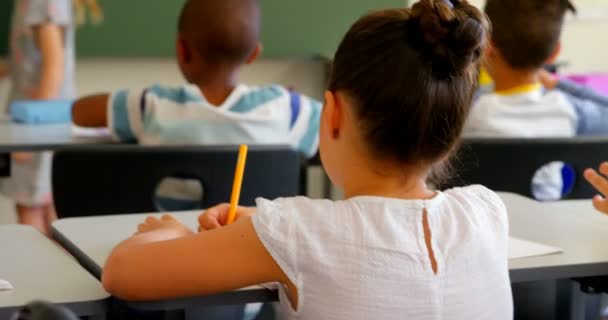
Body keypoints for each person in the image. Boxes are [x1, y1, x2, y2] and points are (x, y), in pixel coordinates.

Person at [101, 1, 513, 319]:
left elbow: (121, 272)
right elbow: (383, 232)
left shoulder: (295, 233)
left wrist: (171, 231)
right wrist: (254, 224)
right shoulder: (487, 211)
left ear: (331, 114)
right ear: (452, 137)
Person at [71, 0, 321, 159]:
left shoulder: (151, 105)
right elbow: (334, 120)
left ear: (182, 49)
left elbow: (79, 112)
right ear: (254, 54)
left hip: (175, 233)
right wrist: (288, 99)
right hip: (250, 234)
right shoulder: (284, 108)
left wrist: (139, 97)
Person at [464, 0, 608, 138]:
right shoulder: (571, 113)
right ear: (554, 53)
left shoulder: (466, 114)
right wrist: (557, 83)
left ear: (487, 45)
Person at [1, 0, 76, 235]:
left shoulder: (39, 2)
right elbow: (29, 60)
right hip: (46, 121)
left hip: (36, 125)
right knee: (48, 210)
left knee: (30, 210)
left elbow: (54, 68)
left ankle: (40, 271)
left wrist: (27, 138)